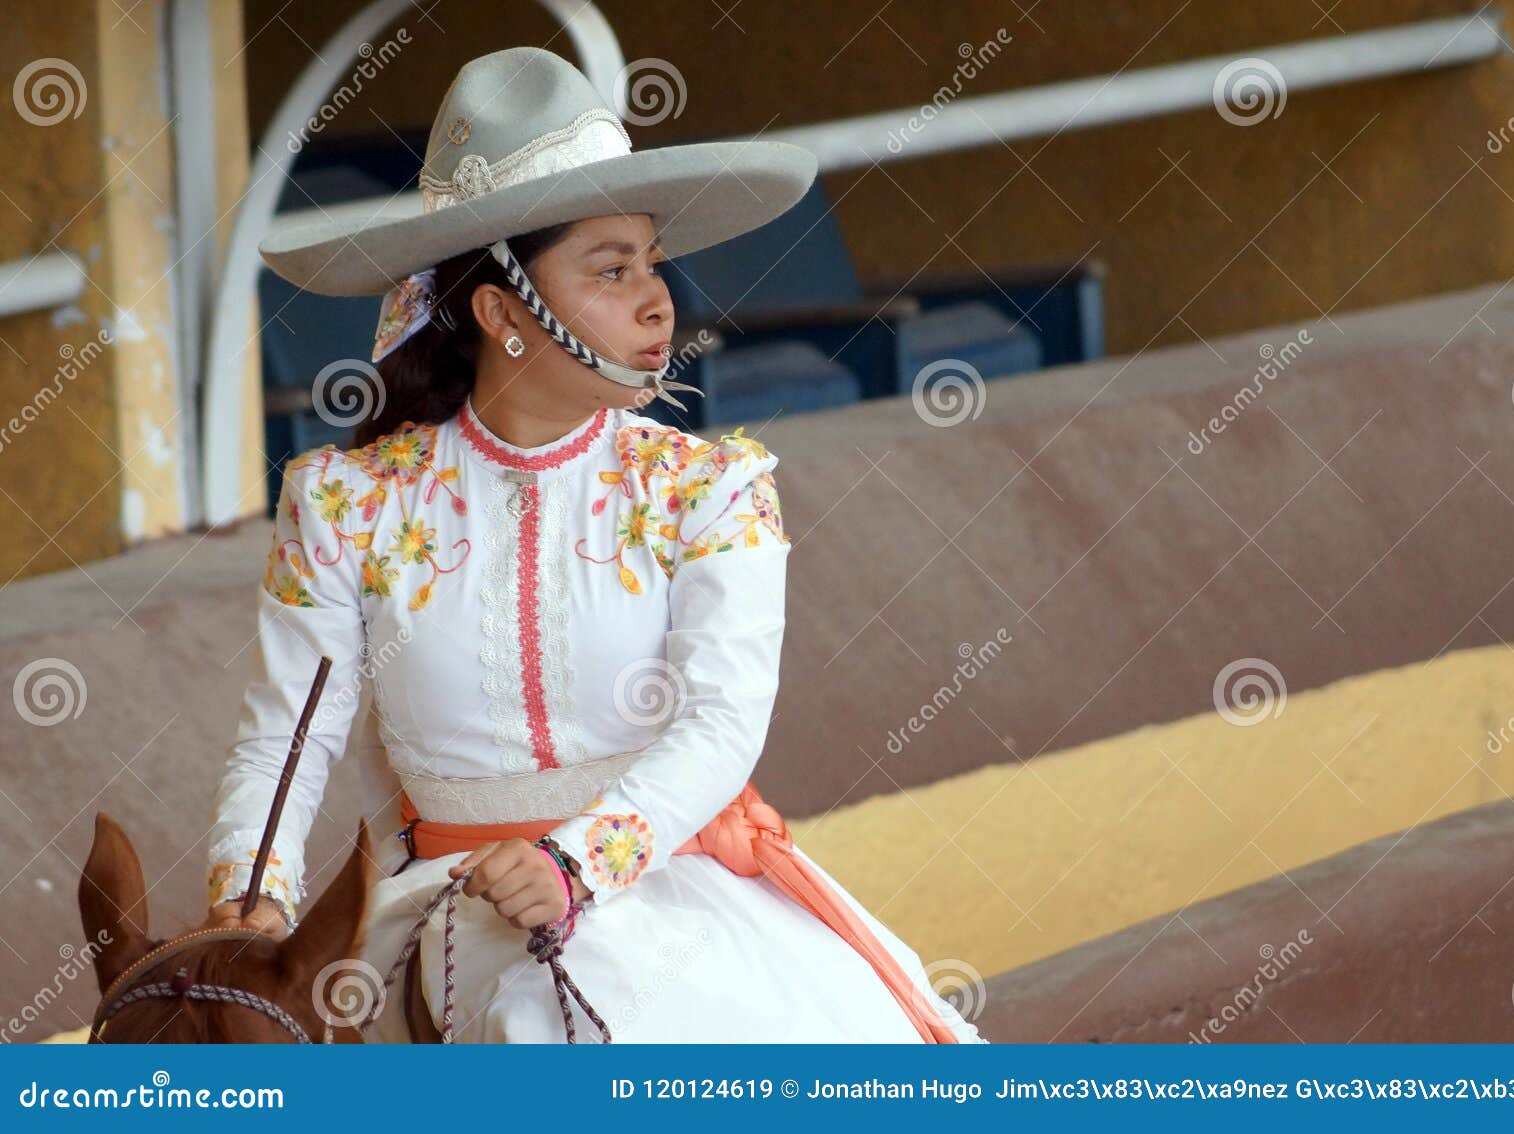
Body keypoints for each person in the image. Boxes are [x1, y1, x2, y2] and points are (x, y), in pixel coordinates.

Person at [206, 45, 987, 1044]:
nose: (658, 303)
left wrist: (575, 865)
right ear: (503, 313)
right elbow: (290, 729)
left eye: (652, 265)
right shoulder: (344, 504)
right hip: (444, 904)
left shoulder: (712, 489)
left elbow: (720, 723)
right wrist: (254, 897)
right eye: (611, 271)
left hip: (666, 873)